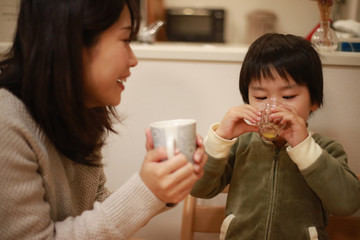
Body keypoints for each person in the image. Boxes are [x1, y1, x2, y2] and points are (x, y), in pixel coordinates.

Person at [0, 0, 207, 239]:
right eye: (125, 40)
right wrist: (146, 191)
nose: (133, 60)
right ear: (72, 41)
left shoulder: (82, 113)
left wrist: (162, 189)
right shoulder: (8, 123)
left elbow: (93, 206)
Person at [190, 33, 360, 240]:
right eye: (260, 97)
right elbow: (199, 189)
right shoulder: (240, 145)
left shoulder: (325, 149)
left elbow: (347, 204)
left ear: (313, 101)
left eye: (288, 96)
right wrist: (221, 139)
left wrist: (304, 146)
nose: (273, 107)